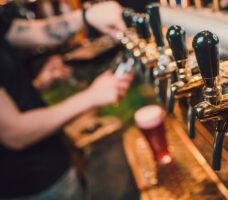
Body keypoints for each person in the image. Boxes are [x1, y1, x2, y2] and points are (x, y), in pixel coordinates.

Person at [0, 1, 133, 199]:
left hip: (54, 164)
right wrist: (92, 96)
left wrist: (87, 16)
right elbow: (15, 133)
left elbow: (38, 32)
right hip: (31, 186)